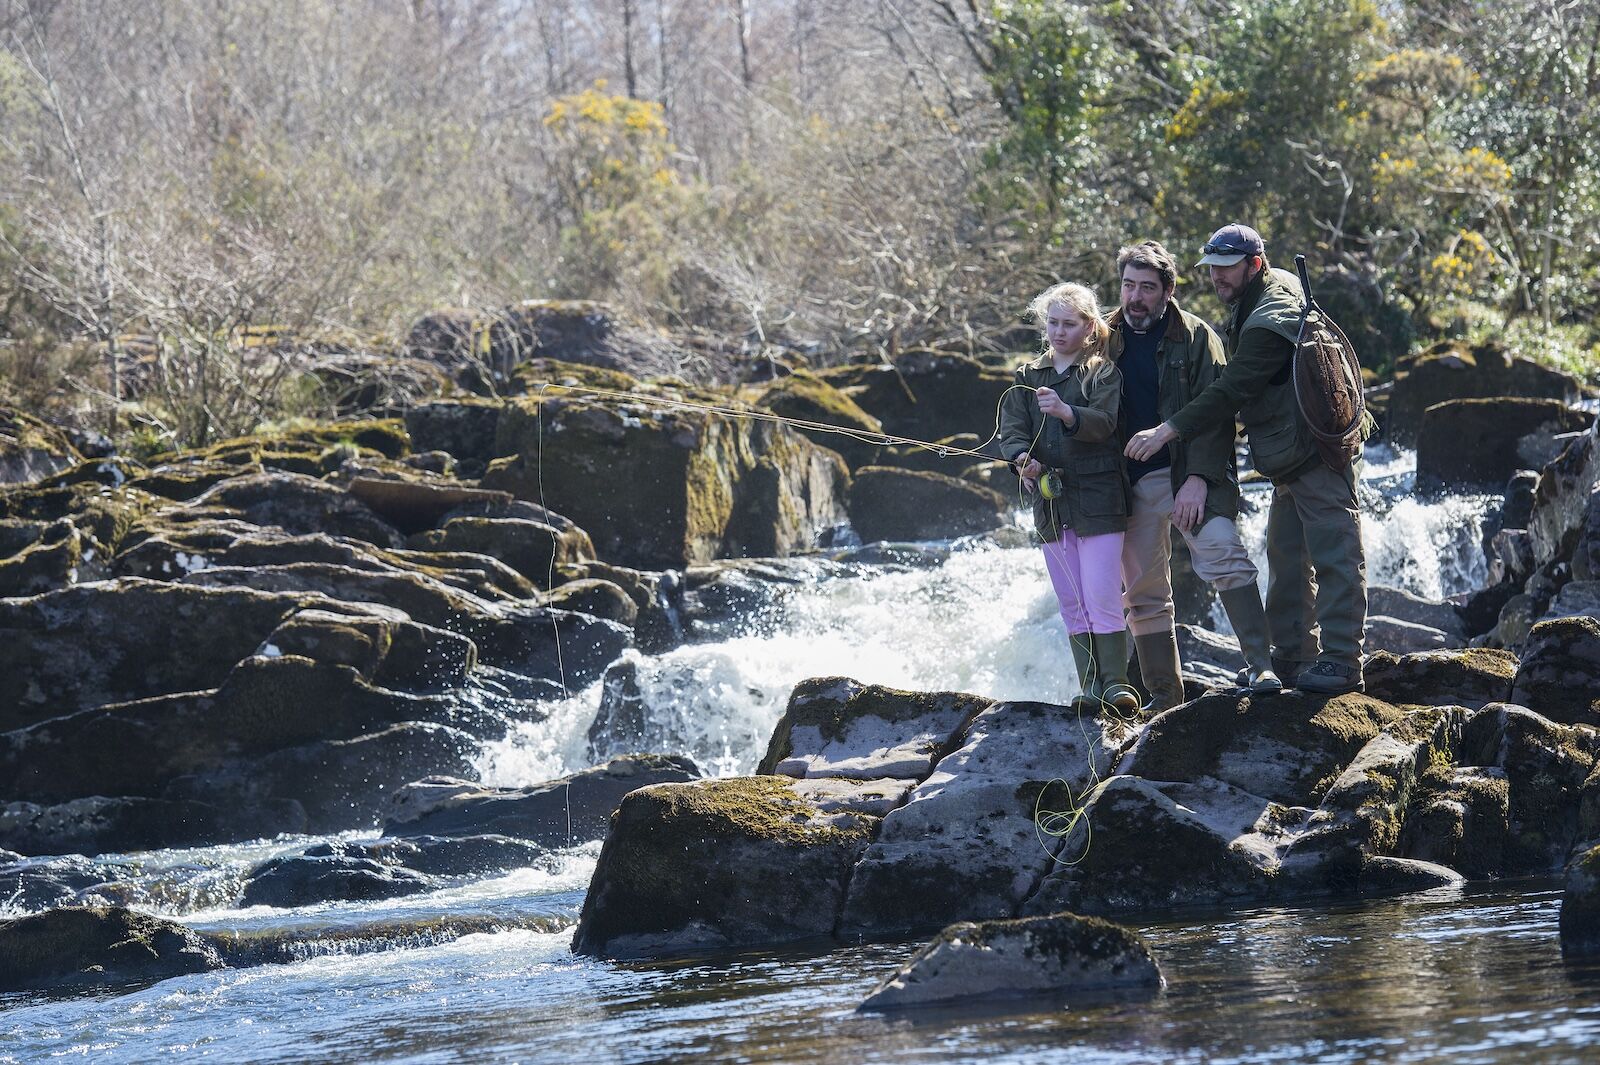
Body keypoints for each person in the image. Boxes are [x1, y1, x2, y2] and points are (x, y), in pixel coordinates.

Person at [1126, 224, 1368, 695]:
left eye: (1226, 269)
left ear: (1253, 265)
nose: (1217, 278)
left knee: (1335, 552)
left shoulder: (1267, 315)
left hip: (1315, 451)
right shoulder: (1266, 291)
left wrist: (1168, 431)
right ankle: (1294, 655)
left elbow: (1232, 388)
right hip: (1292, 455)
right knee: (1287, 554)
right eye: (1211, 269)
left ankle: (1342, 661)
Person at [1107, 240, 1280, 711]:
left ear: (1168, 291)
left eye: (1147, 287)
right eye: (1128, 286)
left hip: (1187, 474)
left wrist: (1199, 478)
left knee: (1224, 552)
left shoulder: (1199, 336)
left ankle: (1261, 664)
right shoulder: (1103, 338)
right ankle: (1164, 701)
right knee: (1142, 592)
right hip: (1126, 484)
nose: (1135, 297)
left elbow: (1220, 414)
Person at [999, 282, 1140, 714]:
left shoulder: (1103, 373)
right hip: (1051, 505)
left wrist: (1066, 412)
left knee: (1101, 594)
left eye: (1069, 324)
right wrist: (1022, 460)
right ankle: (1090, 685)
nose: (1059, 332)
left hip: (1100, 499)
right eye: (1053, 323)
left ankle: (1117, 685)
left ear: (1088, 327)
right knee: (1072, 601)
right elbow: (1013, 431)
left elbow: (1104, 425)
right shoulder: (1026, 376)